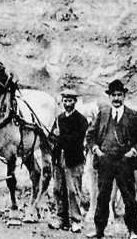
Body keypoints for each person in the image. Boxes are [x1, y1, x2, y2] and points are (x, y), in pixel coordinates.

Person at [85, 80, 137, 239]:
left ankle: (133, 232)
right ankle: (99, 231)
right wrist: (96, 150)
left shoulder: (133, 115)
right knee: (102, 197)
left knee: (129, 197)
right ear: (109, 97)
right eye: (113, 95)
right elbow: (90, 135)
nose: (116, 98)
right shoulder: (103, 114)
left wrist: (133, 151)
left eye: (119, 95)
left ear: (124, 96)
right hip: (105, 161)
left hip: (125, 162)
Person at [48, 89, 88, 233]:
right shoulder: (59, 119)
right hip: (59, 159)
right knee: (58, 190)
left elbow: (76, 140)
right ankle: (61, 219)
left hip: (74, 160)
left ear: (74, 102)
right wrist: (55, 136)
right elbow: (50, 137)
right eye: (65, 101)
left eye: (70, 101)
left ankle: (75, 220)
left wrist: (60, 137)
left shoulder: (81, 120)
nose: (67, 103)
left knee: (73, 191)